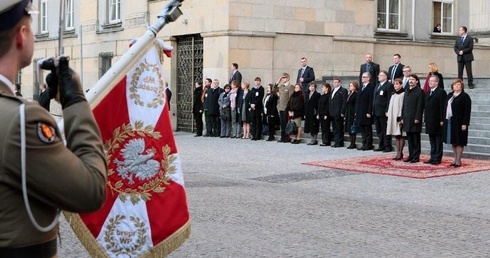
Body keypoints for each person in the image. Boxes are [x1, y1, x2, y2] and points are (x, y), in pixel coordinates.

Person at [0, 1, 107, 256]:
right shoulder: (22, 120)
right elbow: (90, 190)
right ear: (21, 36)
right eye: (31, 26)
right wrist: (75, 101)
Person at [443, 79, 472, 167]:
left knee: (459, 141)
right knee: (453, 141)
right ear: (452, 86)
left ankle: (458, 160)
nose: (457, 86)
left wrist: (465, 123)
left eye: (459, 85)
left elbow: (467, 111)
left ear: (461, 86)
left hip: (460, 122)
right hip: (450, 121)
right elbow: (445, 108)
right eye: (455, 85)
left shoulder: (465, 96)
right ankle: (455, 159)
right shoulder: (449, 95)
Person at [401, 74, 425, 163]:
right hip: (407, 118)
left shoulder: (420, 91)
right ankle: (411, 155)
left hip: (415, 118)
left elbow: (420, 106)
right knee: (409, 138)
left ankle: (416, 156)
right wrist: (402, 117)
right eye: (409, 79)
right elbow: (404, 105)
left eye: (413, 79)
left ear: (416, 81)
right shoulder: (406, 90)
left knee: (415, 138)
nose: (411, 81)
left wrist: (418, 117)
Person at [424, 75, 447, 165]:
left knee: (438, 140)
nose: (430, 82)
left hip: (437, 120)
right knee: (432, 140)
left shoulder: (441, 92)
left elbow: (442, 107)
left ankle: (437, 157)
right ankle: (432, 156)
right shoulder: (428, 92)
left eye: (432, 81)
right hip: (429, 120)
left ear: (437, 82)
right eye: (429, 81)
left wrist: (442, 120)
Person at [373, 70, 394, 152]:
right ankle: (381, 145)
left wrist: (387, 110)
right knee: (379, 130)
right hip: (376, 111)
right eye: (379, 75)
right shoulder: (377, 85)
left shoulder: (389, 86)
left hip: (383, 111)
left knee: (385, 129)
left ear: (386, 77)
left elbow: (389, 99)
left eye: (381, 75)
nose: (379, 76)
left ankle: (387, 146)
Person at [386, 78, 406, 160]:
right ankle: (398, 152)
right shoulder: (393, 94)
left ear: (401, 85)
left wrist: (401, 117)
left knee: (401, 135)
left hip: (399, 117)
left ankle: (400, 152)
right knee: (396, 135)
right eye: (394, 84)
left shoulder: (403, 94)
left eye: (397, 84)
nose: (395, 85)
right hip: (393, 116)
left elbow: (403, 106)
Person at [355, 72, 374, 151]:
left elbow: (371, 100)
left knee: (367, 129)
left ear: (368, 78)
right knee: (362, 129)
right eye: (362, 77)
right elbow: (358, 100)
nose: (362, 78)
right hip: (360, 111)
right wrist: (356, 111)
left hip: (366, 112)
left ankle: (368, 144)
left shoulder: (371, 87)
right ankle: (364, 143)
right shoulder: (361, 87)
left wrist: (369, 112)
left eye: (364, 77)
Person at [329, 77, 348, 147]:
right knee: (334, 128)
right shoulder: (333, 90)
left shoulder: (343, 90)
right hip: (332, 112)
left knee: (339, 128)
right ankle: (336, 141)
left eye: (336, 82)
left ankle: (339, 142)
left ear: (340, 83)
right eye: (334, 82)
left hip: (338, 112)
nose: (335, 83)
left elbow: (344, 102)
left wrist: (342, 112)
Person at [276, 73, 295, 143]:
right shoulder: (281, 86)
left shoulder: (290, 87)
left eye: (284, 78)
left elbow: (291, 98)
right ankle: (282, 137)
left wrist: (290, 109)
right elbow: (274, 90)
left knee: (286, 124)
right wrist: (277, 82)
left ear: (288, 78)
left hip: (286, 108)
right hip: (281, 107)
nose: (283, 79)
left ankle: (287, 137)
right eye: (282, 78)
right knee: (282, 124)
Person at [344, 81, 359, 149]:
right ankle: (351, 142)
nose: (350, 87)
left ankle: (353, 143)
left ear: (355, 87)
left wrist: (356, 113)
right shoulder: (349, 94)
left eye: (352, 86)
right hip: (348, 112)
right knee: (349, 128)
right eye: (350, 86)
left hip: (352, 112)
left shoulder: (356, 94)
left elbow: (356, 104)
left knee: (352, 128)